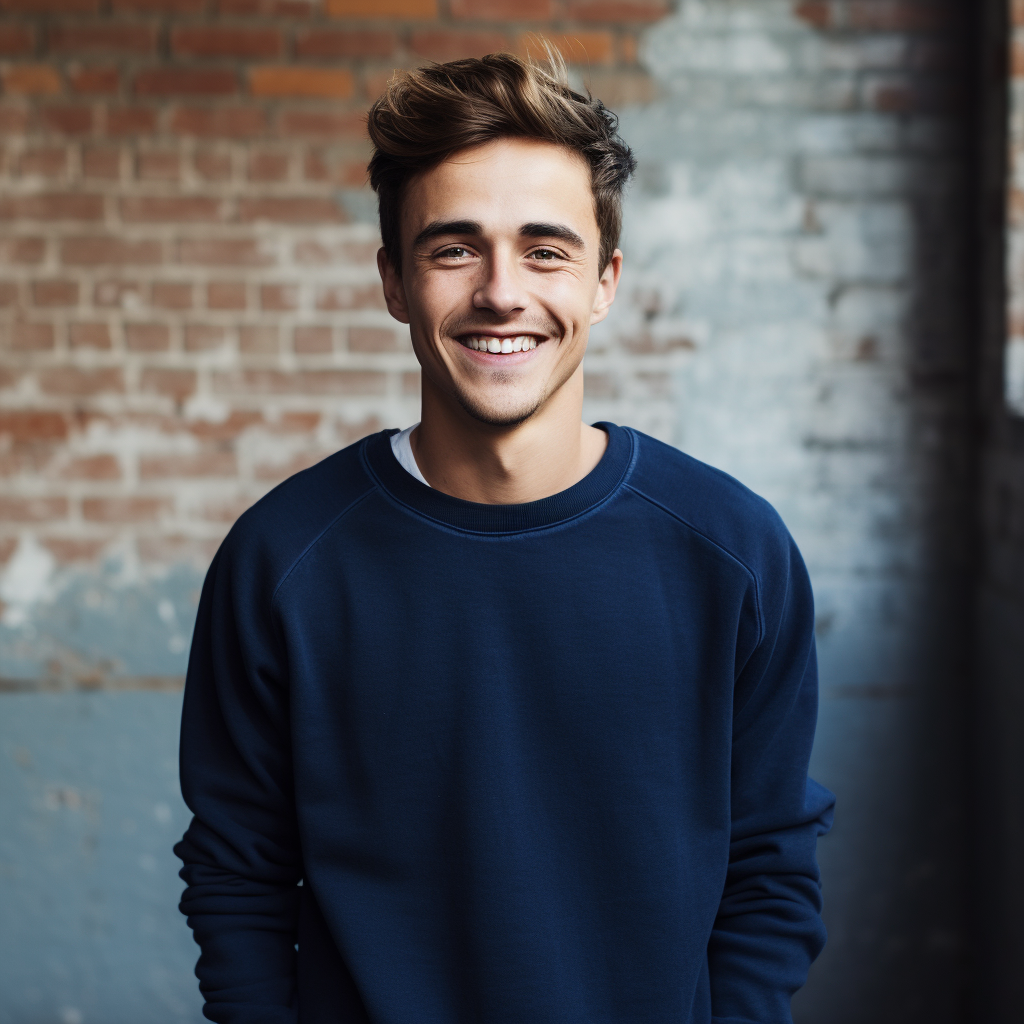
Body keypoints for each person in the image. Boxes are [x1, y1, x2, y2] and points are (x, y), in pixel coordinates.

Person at [175, 52, 835, 1024]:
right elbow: (238, 874)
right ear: (394, 281)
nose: (500, 292)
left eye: (545, 250)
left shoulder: (731, 552)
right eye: (452, 249)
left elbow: (771, 864)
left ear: (604, 281)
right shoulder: (283, 560)